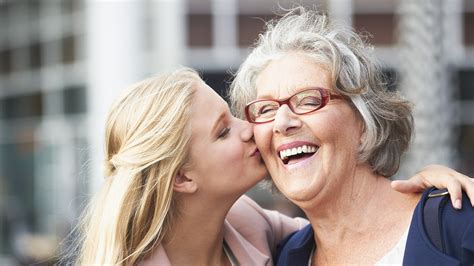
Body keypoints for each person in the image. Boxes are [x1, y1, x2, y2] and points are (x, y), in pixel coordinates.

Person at [67, 67, 473, 264]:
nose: (253, 130)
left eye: (236, 116)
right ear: (182, 177)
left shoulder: (251, 227)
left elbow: (342, 220)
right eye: (223, 131)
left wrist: (423, 194)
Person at [230, 7, 474, 265]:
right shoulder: (284, 258)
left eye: (309, 101)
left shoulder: (459, 225)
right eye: (266, 109)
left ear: (364, 122)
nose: (282, 122)